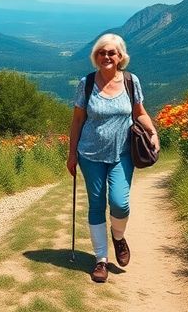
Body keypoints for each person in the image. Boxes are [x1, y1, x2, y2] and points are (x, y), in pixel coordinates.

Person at [67, 33, 160, 283]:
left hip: (122, 153)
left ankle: (118, 237)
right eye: (101, 52)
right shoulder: (86, 83)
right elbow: (77, 120)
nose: (106, 56)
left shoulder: (131, 81)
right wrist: (71, 154)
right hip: (90, 154)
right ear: (96, 56)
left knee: (120, 203)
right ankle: (101, 260)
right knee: (96, 205)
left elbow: (139, 113)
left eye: (111, 53)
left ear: (121, 57)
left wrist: (153, 133)